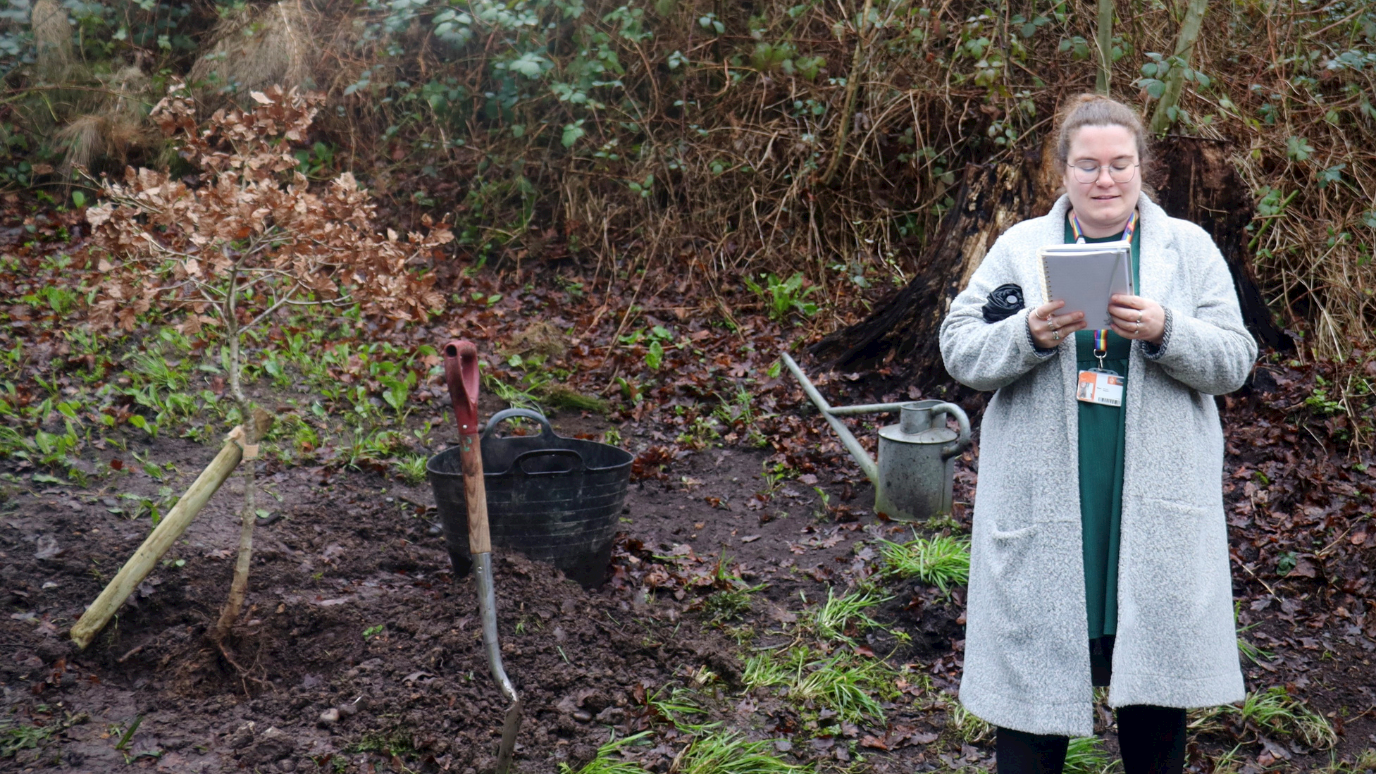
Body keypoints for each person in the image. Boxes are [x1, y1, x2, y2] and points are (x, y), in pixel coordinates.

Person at [938, 94, 1257, 774]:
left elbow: (1235, 361)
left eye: (1119, 163)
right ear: (1063, 171)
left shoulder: (1187, 250)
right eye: (1087, 164)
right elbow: (959, 348)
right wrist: (1027, 334)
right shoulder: (1021, 247)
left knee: (1156, 716)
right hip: (1047, 512)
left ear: (1144, 168)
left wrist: (1168, 329)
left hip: (1150, 515)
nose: (1104, 179)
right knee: (1030, 718)